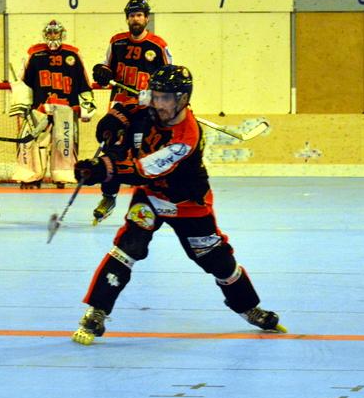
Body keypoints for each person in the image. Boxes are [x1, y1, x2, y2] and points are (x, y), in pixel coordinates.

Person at [71, 65, 287, 345]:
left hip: (187, 205)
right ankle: (96, 311)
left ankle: (249, 308)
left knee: (218, 261)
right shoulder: (152, 102)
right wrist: (113, 121)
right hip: (150, 198)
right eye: (156, 95)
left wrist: (104, 168)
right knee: (127, 248)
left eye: (166, 98)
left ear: (183, 99)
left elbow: (142, 170)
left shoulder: (186, 138)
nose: (158, 103)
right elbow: (127, 107)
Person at [90, 0, 173, 224]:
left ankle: (149, 201)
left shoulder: (158, 45)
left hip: (146, 109)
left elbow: (169, 77)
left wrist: (155, 95)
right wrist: (102, 72)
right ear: (127, 18)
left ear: (146, 18)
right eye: (132, 15)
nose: (135, 19)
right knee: (109, 139)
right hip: (121, 104)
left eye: (139, 15)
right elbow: (106, 66)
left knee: (141, 150)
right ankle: (108, 197)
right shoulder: (117, 42)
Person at [11, 20, 97, 189]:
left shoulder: (73, 55)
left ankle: (63, 176)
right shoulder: (34, 55)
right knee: (31, 144)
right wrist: (21, 106)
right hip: (40, 110)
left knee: (65, 144)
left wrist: (87, 107)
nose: (52, 36)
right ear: (45, 35)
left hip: (66, 110)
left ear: (61, 34)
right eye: (49, 33)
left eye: (55, 32)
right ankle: (31, 177)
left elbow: (84, 83)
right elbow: (23, 83)